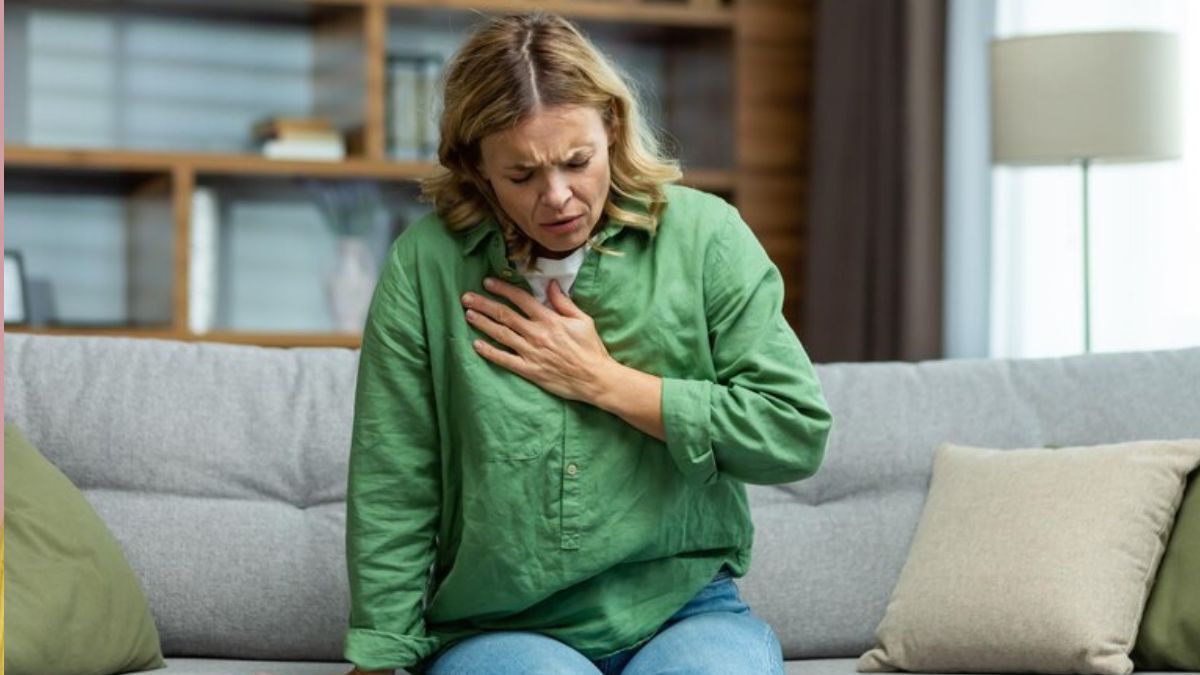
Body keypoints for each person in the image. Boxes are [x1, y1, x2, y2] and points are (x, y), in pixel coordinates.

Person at [342, 12, 832, 675]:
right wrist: (380, 656)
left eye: (578, 162)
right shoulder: (425, 265)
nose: (557, 197)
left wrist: (605, 380)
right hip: (503, 624)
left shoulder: (706, 237)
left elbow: (793, 432)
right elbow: (395, 477)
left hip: (683, 609)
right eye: (522, 175)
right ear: (477, 167)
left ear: (614, 130)